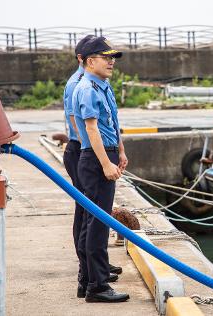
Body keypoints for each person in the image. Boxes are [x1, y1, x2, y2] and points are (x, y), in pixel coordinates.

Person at [72, 36, 129, 303]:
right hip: (94, 159)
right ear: (90, 61)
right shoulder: (86, 88)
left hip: (105, 154)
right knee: (98, 224)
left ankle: (87, 281)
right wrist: (105, 164)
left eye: (112, 58)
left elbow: (112, 124)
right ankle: (98, 286)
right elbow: (91, 128)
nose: (111, 63)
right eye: (106, 58)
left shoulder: (103, 86)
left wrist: (120, 152)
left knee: (94, 222)